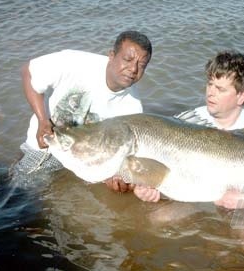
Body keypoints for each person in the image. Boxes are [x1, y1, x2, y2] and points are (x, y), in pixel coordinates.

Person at [129, 51, 244, 209]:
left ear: (241, 96)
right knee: (160, 220)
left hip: (239, 204)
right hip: (195, 201)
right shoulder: (184, 121)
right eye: (210, 84)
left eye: (220, 89)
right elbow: (159, 171)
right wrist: (146, 187)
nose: (211, 92)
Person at [11, 30, 152, 187]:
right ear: (111, 56)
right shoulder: (75, 63)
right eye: (128, 59)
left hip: (81, 165)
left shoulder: (132, 107)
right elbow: (28, 72)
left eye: (142, 65)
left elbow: (118, 154)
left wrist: (113, 177)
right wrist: (42, 120)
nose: (133, 69)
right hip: (43, 149)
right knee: (18, 192)